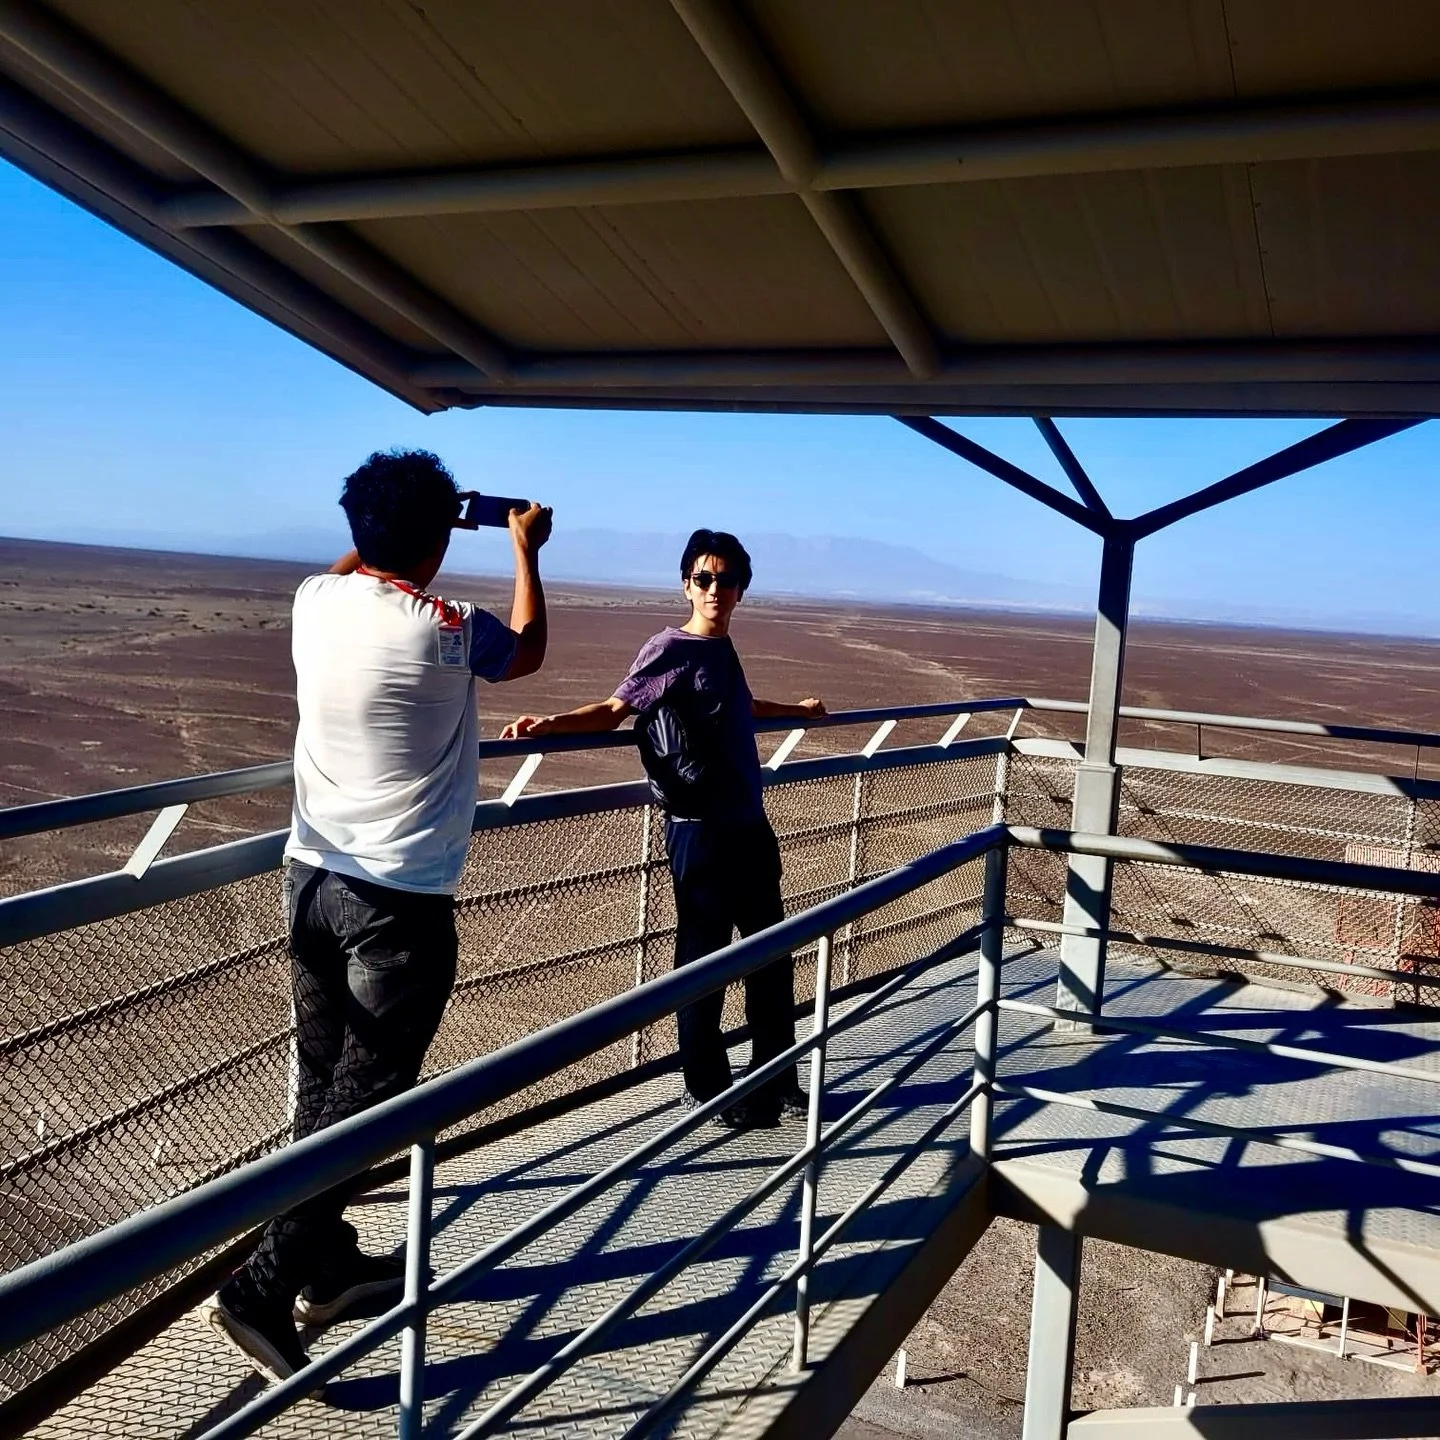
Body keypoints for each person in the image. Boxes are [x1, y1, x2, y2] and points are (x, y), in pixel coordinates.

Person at [201, 449, 551, 1383]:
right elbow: (527, 645)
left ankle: (324, 1259)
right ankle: (260, 1289)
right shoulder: (445, 628)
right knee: (366, 1103)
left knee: (325, 1089)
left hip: (310, 880)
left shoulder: (315, 600)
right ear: (439, 538)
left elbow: (354, 565)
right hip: (397, 905)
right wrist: (525, 548)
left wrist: (390, 533)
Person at [502, 529, 824, 1128]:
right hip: (700, 831)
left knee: (770, 958)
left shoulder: (722, 650)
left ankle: (775, 1079)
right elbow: (615, 708)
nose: (715, 590)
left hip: (749, 825)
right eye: (703, 579)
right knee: (704, 960)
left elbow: (741, 707)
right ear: (686, 584)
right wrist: (551, 724)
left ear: (741, 589)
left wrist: (797, 713)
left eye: (726, 580)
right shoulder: (668, 648)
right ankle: (708, 1088)